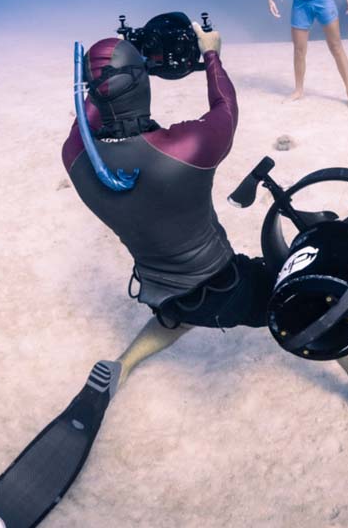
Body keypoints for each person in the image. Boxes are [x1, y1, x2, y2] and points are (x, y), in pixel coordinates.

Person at [61, 21, 277, 387]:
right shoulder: (186, 149)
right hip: (221, 286)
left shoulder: (75, 156)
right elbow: (225, 106)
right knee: (319, 294)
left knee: (182, 306)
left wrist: (120, 66)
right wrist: (211, 54)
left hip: (159, 291)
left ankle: (124, 365)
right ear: (142, 82)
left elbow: (94, 108)